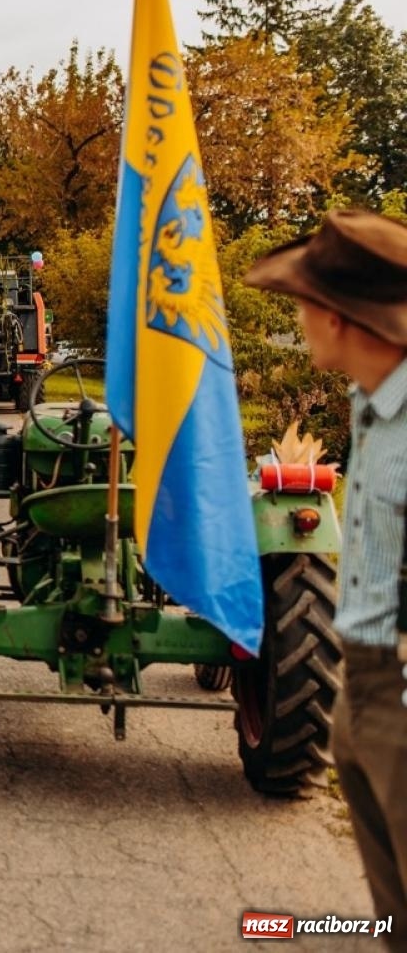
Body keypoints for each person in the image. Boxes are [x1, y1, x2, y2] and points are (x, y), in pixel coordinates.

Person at [244, 207, 407, 931]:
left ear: (340, 317)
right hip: (360, 683)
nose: (300, 316)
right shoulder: (371, 408)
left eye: (308, 302)